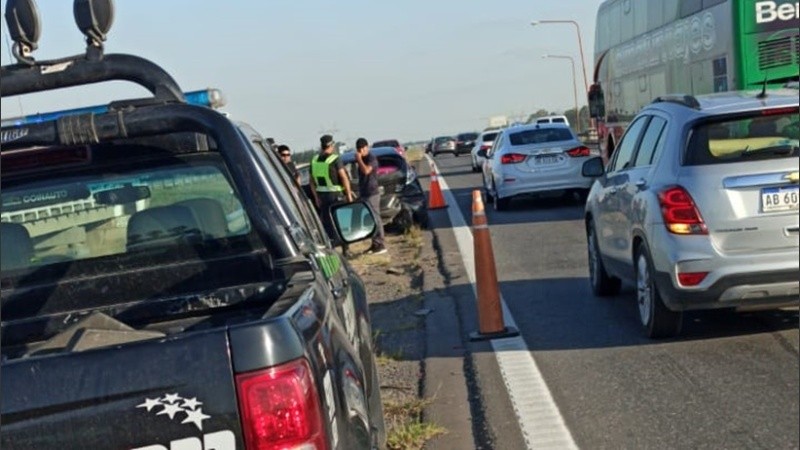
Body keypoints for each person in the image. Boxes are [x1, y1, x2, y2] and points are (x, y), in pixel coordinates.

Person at [310, 134, 354, 258]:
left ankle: (331, 250)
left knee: (328, 224)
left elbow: (311, 181)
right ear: (331, 145)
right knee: (342, 223)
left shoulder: (314, 160)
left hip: (323, 197)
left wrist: (316, 197)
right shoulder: (335, 159)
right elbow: (344, 177)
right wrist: (349, 194)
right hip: (336, 195)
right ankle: (346, 249)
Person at [354, 138, 387, 255]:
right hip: (364, 192)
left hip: (372, 192)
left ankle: (381, 243)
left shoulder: (371, 158)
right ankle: (374, 244)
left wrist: (359, 159)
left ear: (366, 147)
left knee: (376, 218)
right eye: (358, 149)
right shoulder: (361, 160)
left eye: (361, 149)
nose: (360, 151)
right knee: (370, 220)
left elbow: (367, 171)